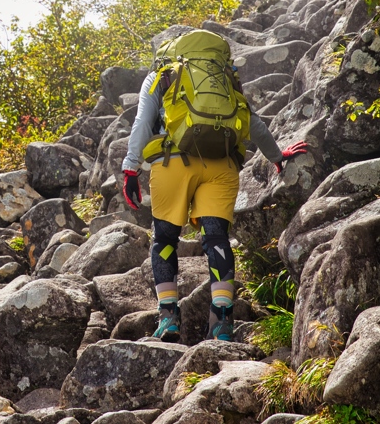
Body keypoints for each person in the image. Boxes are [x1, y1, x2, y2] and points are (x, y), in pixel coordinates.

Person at [121, 32, 307, 343]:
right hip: (221, 164)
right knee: (216, 238)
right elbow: (253, 122)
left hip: (173, 163)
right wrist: (277, 156)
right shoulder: (225, 76)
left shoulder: (161, 75)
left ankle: (168, 319)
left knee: (165, 239)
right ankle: (222, 321)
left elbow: (142, 122)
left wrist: (129, 169)